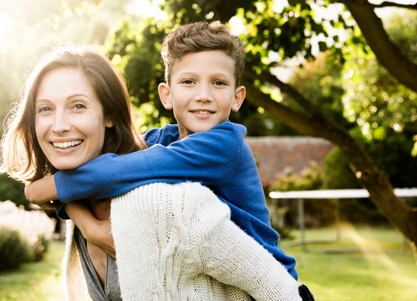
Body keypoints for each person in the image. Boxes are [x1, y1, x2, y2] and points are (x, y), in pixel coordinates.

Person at [25, 22, 314, 299]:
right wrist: (87, 225)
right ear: (166, 94)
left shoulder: (225, 145)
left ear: (237, 98)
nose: (203, 95)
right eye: (188, 82)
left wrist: (42, 190)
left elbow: (110, 173)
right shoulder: (158, 141)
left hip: (270, 287)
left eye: (218, 83)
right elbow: (98, 178)